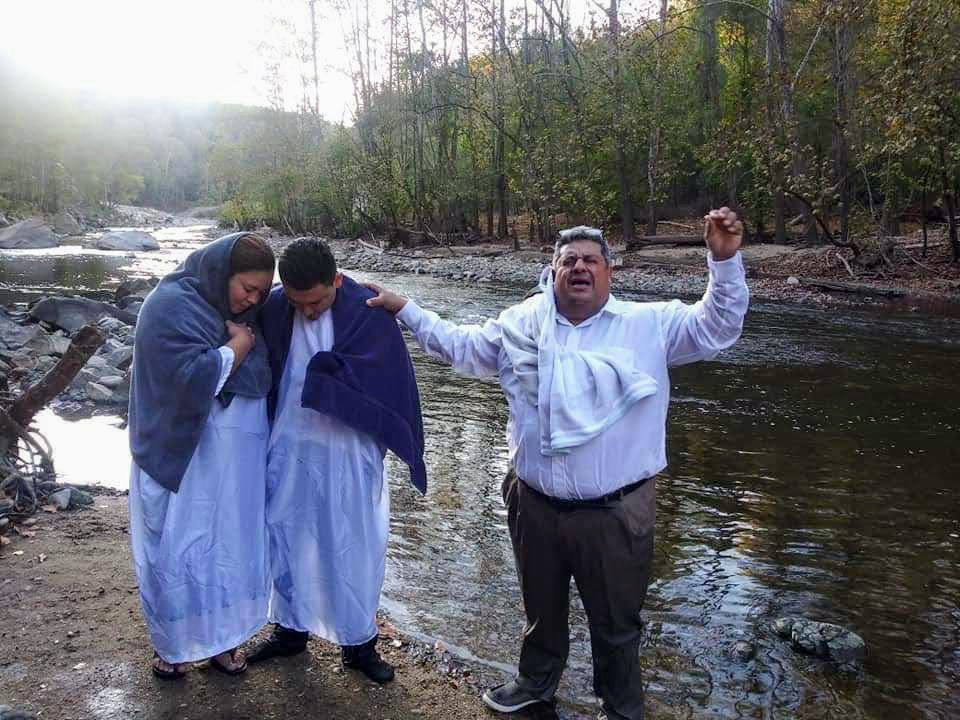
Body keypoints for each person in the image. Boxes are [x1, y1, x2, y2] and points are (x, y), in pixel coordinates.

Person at [365, 208, 749, 719]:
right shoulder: (520, 326)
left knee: (616, 623)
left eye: (591, 259)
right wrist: (406, 309)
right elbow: (459, 346)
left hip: (616, 513)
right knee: (540, 611)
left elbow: (719, 327)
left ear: (610, 272)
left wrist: (724, 262)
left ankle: (620, 708)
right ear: (553, 271)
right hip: (533, 504)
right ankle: (535, 684)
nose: (580, 267)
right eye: (569, 260)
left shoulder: (649, 325)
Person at [248, 237, 425, 684]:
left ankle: (358, 643)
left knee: (356, 545)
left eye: (318, 301)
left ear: (337, 280)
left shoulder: (369, 311)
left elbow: (393, 382)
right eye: (297, 302)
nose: (308, 311)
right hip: (288, 446)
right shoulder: (273, 308)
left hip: (350, 452)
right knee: (286, 538)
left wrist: (333, 381)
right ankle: (289, 630)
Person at [127, 232, 275, 679]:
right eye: (246, 288)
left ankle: (224, 641)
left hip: (233, 466)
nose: (252, 301)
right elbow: (184, 379)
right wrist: (236, 349)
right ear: (220, 272)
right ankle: (173, 648)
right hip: (182, 459)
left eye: (261, 293)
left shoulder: (246, 311)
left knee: (229, 546)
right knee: (178, 547)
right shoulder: (170, 305)